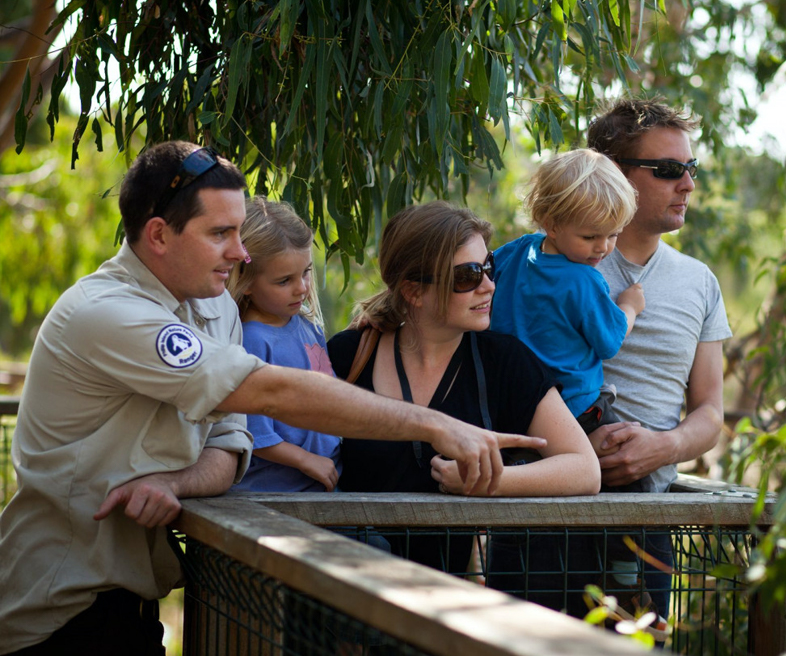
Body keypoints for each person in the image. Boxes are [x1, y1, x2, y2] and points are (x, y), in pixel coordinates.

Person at [0, 142, 544, 656]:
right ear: (159, 234)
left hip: (135, 601)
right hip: (58, 605)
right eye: (220, 234)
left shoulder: (212, 309)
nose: (240, 253)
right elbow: (270, 392)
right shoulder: (109, 312)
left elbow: (229, 445)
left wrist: (175, 482)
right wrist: (435, 425)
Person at [327, 201, 600, 571]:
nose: (488, 285)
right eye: (467, 276)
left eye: (489, 267)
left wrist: (490, 480)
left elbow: (584, 469)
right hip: (342, 589)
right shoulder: (349, 356)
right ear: (413, 291)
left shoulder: (503, 362)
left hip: (447, 605)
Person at [587, 99, 733, 623]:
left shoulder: (700, 282)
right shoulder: (544, 265)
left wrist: (661, 447)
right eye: (669, 170)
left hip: (650, 521)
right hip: (542, 515)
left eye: (690, 168)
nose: (688, 184)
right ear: (615, 175)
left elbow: (710, 413)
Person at [488, 148, 648, 586]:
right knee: (632, 480)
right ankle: (624, 567)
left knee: (526, 518)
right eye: (591, 237)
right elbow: (610, 340)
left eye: (613, 235)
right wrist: (629, 306)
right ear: (551, 223)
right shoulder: (583, 280)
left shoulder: (512, 254)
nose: (603, 248)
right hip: (577, 410)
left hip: (518, 413)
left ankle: (510, 584)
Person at [225, 197, 341, 493]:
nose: (301, 287)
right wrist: (306, 460)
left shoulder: (306, 326)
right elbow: (253, 432)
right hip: (278, 496)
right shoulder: (249, 341)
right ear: (246, 280)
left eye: (305, 272)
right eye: (284, 280)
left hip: (324, 485)